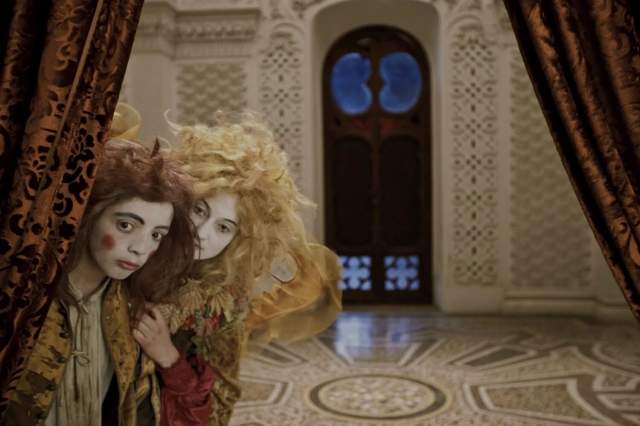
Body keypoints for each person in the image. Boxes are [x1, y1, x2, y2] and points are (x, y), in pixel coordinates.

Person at [133, 113, 341, 426]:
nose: (202, 233)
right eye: (199, 209)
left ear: (240, 239)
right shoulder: (133, 246)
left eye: (224, 227)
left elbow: (219, 406)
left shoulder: (223, 304)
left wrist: (168, 356)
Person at [3, 138, 195, 426]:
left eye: (156, 235)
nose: (140, 248)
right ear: (89, 215)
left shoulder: (133, 311)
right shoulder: (22, 297)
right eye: (126, 225)